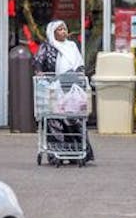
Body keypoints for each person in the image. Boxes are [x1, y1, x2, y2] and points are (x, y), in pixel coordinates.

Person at [33, 20, 95, 163]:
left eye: (64, 29)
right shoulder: (47, 47)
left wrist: (78, 75)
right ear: (53, 33)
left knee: (75, 119)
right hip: (54, 89)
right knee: (55, 120)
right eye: (60, 29)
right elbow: (38, 63)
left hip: (71, 88)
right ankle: (56, 154)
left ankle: (79, 152)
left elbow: (79, 64)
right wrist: (40, 73)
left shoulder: (72, 46)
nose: (63, 32)